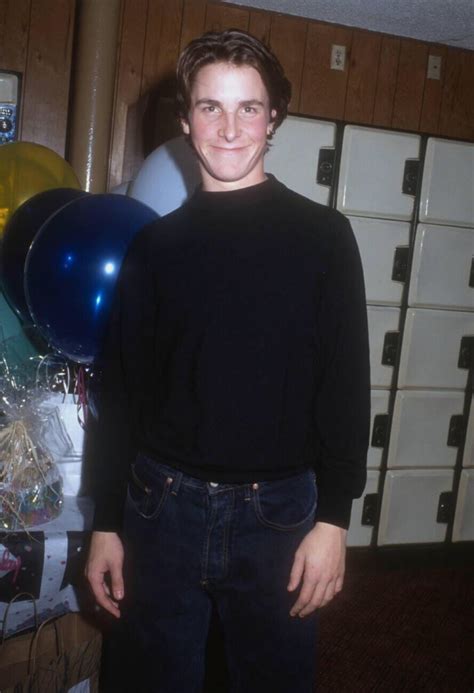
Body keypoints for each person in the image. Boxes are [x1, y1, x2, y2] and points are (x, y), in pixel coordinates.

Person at [85, 29, 370, 693]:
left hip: (279, 517)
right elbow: (121, 394)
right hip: (161, 509)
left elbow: (346, 387)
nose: (230, 127)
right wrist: (106, 522)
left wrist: (334, 518)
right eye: (211, 106)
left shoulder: (324, 238)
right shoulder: (153, 248)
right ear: (186, 120)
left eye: (249, 108)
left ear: (274, 118)